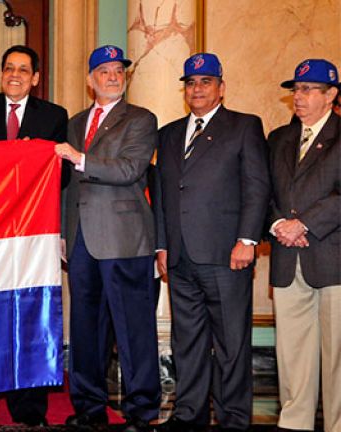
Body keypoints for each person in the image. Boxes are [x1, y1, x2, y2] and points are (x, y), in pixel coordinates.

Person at [154, 53, 270, 432]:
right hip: (181, 256)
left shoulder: (243, 126)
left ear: (221, 87)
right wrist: (162, 245)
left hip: (226, 254)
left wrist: (248, 239)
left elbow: (257, 187)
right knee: (187, 341)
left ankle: (233, 418)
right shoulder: (168, 133)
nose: (197, 89)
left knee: (231, 342)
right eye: (191, 82)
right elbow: (162, 193)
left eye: (205, 81)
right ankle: (190, 414)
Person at [0, 44, 68, 427]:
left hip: (30, 235)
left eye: (23, 69)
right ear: (1, 73)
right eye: (9, 68)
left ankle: (29, 406)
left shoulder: (54, 116)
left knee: (28, 312)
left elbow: (62, 175)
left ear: (36, 77)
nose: (15, 75)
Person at [54, 45, 160, 432]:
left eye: (119, 70)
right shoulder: (76, 122)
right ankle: (88, 405)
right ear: (90, 79)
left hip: (124, 238)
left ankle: (141, 409)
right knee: (84, 328)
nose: (113, 76)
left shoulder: (141, 119)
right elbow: (69, 187)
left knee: (133, 327)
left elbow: (131, 168)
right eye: (104, 71)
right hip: (81, 238)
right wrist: (64, 234)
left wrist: (80, 157)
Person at [268, 59, 340, 432]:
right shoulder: (278, 138)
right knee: (293, 353)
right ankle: (294, 425)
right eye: (296, 89)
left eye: (309, 89)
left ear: (331, 96)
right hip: (286, 257)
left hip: (332, 258)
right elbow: (263, 191)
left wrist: (305, 223)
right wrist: (280, 223)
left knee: (337, 358)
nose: (299, 96)